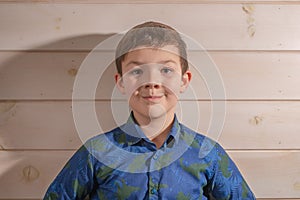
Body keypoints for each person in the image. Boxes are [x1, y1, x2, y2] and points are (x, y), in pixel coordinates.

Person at [44, 21, 255, 200]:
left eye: (166, 70)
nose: (152, 82)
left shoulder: (208, 153)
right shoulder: (97, 152)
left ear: (184, 80)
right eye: (137, 71)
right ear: (121, 82)